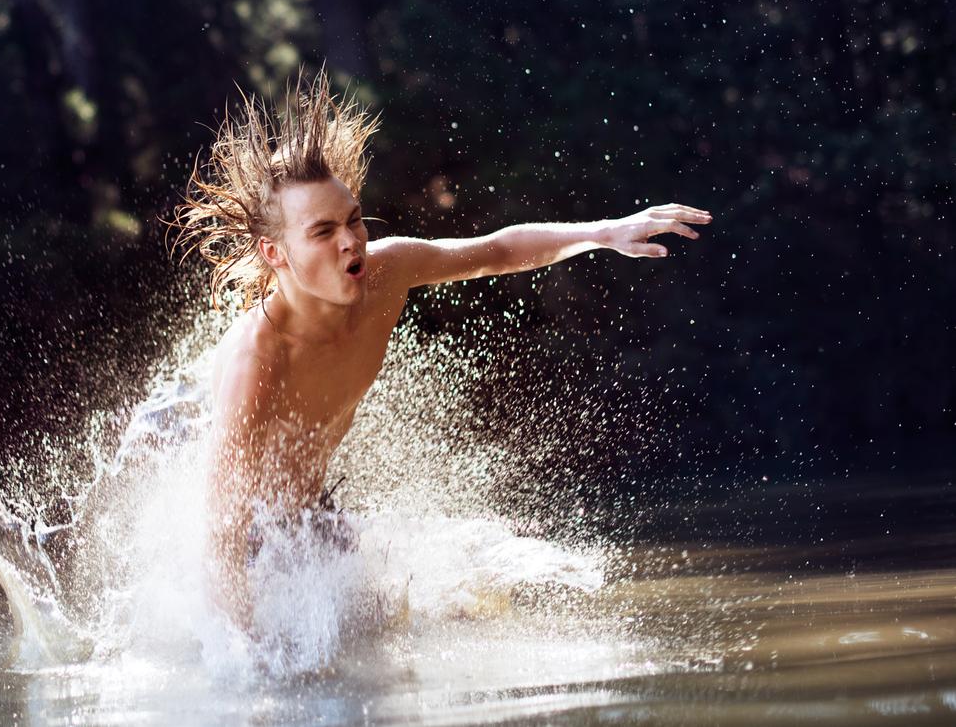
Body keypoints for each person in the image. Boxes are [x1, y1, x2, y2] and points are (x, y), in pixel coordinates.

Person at [169, 71, 710, 631]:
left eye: (353, 219)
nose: (351, 240)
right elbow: (221, 533)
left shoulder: (386, 271)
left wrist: (603, 232)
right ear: (275, 253)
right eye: (322, 231)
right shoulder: (256, 361)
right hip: (255, 544)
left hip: (312, 518)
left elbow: (495, 250)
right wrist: (244, 666)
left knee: (426, 614)